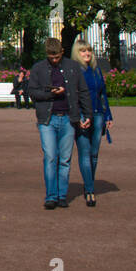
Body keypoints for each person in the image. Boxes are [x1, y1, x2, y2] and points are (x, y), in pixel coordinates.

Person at [26, 37, 92, 209]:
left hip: (69, 117)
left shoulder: (72, 67)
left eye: (56, 57)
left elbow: (83, 91)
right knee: (50, 157)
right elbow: (32, 91)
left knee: (65, 159)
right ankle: (51, 196)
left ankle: (62, 195)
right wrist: (51, 94)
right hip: (47, 118)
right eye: (51, 57)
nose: (54, 60)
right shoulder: (39, 68)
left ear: (62, 52)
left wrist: (88, 114)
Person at [72, 39, 112, 207]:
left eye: (88, 50)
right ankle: (89, 190)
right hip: (82, 115)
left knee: (94, 154)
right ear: (77, 53)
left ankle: (89, 183)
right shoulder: (74, 70)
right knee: (84, 152)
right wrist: (79, 115)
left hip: (98, 115)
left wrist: (108, 115)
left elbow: (102, 94)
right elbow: (73, 96)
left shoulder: (96, 70)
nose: (86, 54)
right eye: (83, 51)